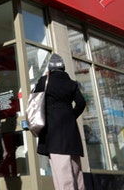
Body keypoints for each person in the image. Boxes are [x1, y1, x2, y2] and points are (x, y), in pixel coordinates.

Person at [34, 53, 86, 190]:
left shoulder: (45, 81)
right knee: (77, 175)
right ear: (63, 68)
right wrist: (70, 116)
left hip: (54, 134)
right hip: (72, 135)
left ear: (50, 69)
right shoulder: (72, 84)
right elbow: (81, 103)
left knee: (63, 176)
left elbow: (35, 102)